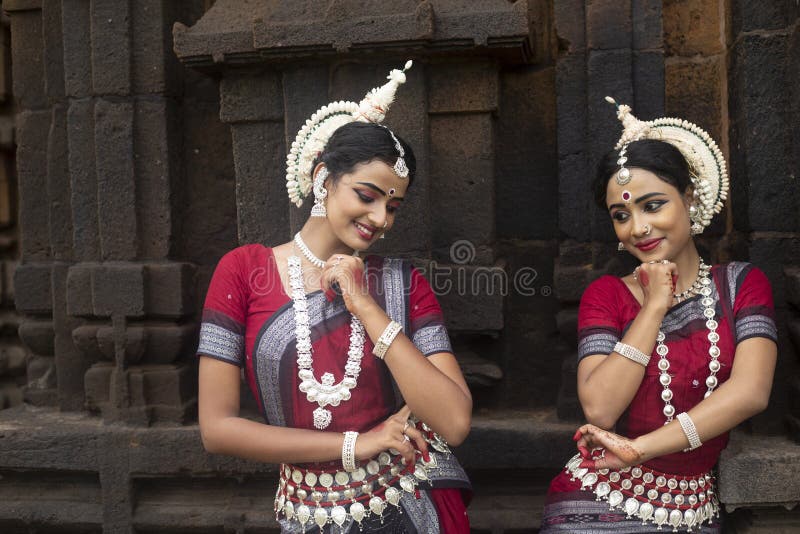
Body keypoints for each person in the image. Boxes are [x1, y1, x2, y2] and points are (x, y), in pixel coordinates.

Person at [196, 61, 472, 533]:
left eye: (393, 205)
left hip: (410, 507)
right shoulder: (243, 271)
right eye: (367, 195)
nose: (381, 217)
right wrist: (354, 445)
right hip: (307, 515)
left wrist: (364, 304)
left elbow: (453, 421)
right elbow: (217, 429)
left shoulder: (401, 285)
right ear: (324, 178)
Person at [540, 99, 778, 532]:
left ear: (688, 197)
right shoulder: (607, 295)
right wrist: (653, 307)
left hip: (694, 511)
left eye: (653, 205)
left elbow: (751, 392)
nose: (638, 228)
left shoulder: (741, 284)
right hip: (595, 508)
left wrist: (641, 449)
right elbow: (600, 409)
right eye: (621, 215)